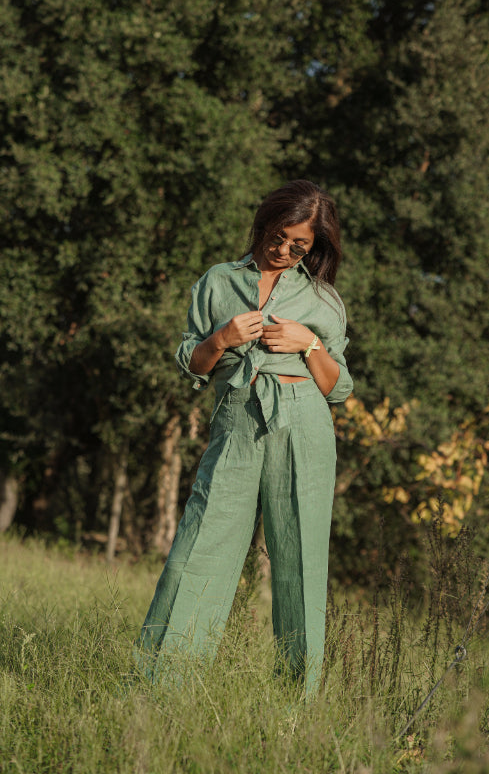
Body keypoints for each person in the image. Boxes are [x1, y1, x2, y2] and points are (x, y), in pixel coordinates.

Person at [135, 179, 353, 697]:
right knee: (198, 549)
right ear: (264, 222)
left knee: (299, 562)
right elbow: (192, 361)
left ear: (313, 247)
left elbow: (338, 386)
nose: (283, 249)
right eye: (278, 236)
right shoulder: (217, 280)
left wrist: (309, 342)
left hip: (303, 422)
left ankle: (296, 701)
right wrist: (222, 339)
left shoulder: (322, 298)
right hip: (235, 418)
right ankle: (161, 690)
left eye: (299, 245)